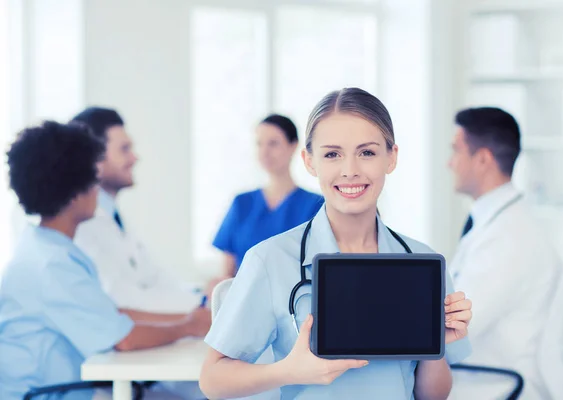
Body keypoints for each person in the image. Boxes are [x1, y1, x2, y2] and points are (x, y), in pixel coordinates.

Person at [199, 88, 473, 400]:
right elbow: (212, 380)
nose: (350, 170)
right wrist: (288, 371)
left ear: (391, 157)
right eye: (332, 154)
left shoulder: (424, 264)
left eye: (367, 152)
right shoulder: (270, 260)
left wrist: (435, 345)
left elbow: (433, 397)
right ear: (310, 161)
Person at [0, 121, 208, 400]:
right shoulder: (54, 265)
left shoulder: (44, 248)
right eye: (91, 180)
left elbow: (113, 316)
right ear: (74, 194)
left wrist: (191, 320)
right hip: (50, 394)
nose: (97, 189)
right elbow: (125, 339)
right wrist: (189, 326)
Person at [447, 107, 562, 399]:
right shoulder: (499, 223)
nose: (450, 163)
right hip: (477, 376)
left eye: (456, 151)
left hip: (491, 385)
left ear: (483, 159)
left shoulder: (510, 237)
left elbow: (456, 328)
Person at [72, 107, 206, 314]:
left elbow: (154, 278)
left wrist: (203, 295)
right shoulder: (83, 225)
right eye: (124, 149)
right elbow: (121, 298)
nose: (134, 158)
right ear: (94, 159)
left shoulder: (114, 217)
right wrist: (200, 304)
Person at [208, 114, 324, 293]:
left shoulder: (315, 205)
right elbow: (227, 273)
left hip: (294, 300)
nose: (264, 152)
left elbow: (317, 269)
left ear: (293, 146)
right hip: (245, 300)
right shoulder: (242, 203)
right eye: (259, 144)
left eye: (273, 143)